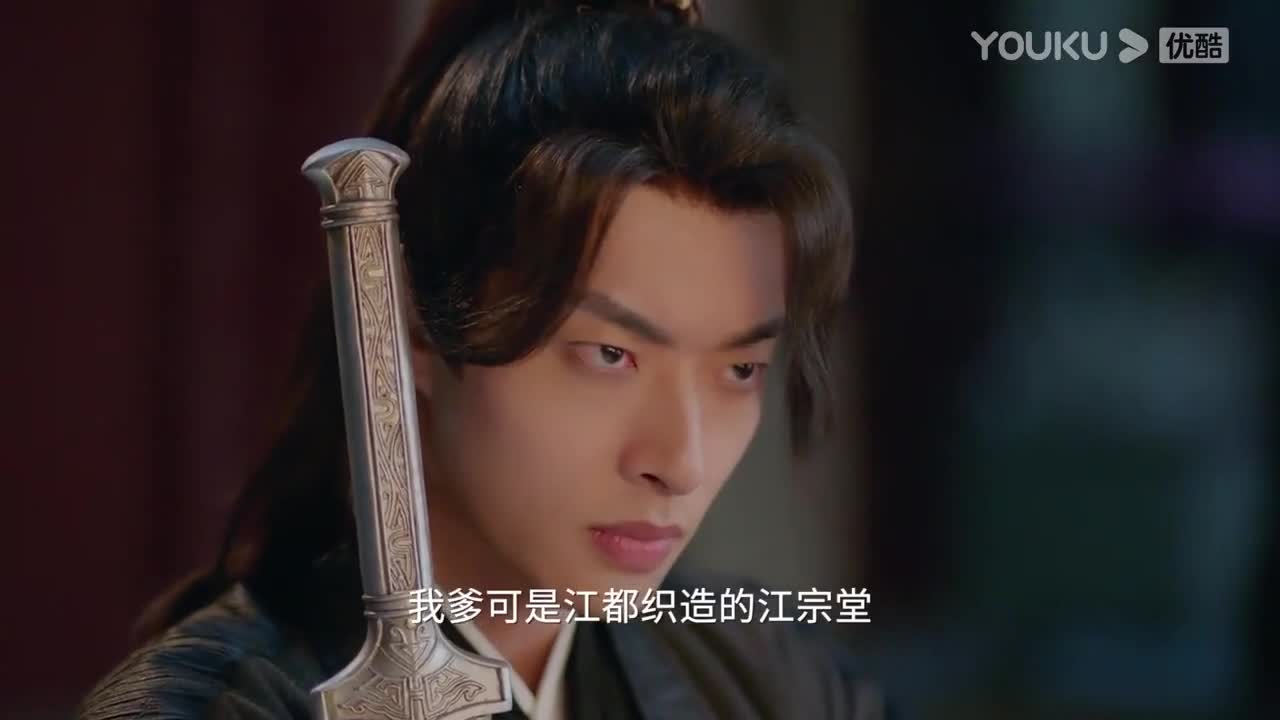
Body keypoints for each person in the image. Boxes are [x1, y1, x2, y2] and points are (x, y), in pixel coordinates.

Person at [78, 1, 890, 717]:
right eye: (610, 354)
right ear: (414, 330)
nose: (681, 462)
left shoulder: (773, 677)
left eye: (739, 370)